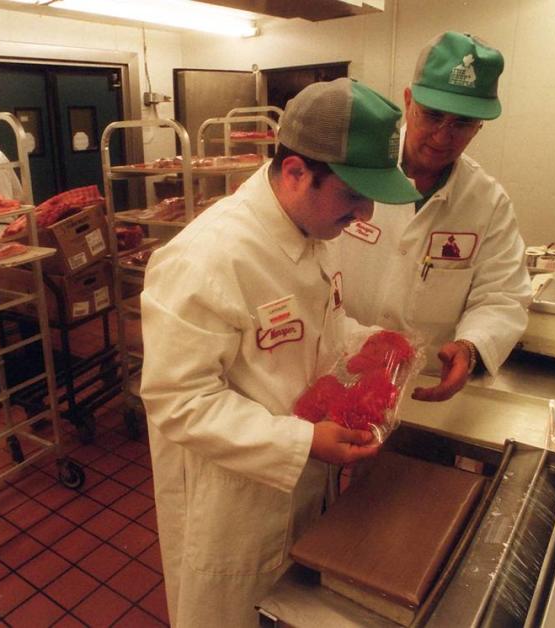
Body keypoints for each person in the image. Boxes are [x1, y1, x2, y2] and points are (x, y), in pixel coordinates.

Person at [139, 78, 421, 627]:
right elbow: (178, 399)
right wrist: (300, 441)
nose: (364, 213)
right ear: (295, 172)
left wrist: (370, 342)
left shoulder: (312, 232)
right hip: (235, 503)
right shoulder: (208, 257)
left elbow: (318, 332)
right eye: (352, 193)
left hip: (305, 482)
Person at [331, 31, 531, 402]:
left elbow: (503, 295)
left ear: (480, 125)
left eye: (462, 123)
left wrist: (472, 346)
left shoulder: (487, 202)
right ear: (409, 101)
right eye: (433, 115)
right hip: (334, 367)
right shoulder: (354, 172)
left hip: (423, 386)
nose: (442, 136)